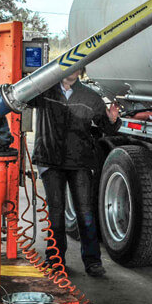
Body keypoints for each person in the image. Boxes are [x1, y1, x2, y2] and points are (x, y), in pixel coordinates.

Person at [30, 69, 120, 277]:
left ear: (81, 71)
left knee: (85, 212)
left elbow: (107, 128)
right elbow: (21, 100)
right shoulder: (44, 92)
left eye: (77, 66)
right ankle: (55, 260)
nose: (73, 70)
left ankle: (92, 262)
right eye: (69, 66)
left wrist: (113, 119)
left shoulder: (90, 96)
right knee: (56, 212)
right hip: (49, 159)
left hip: (79, 160)